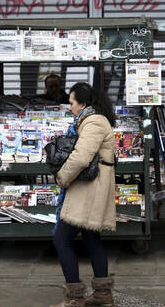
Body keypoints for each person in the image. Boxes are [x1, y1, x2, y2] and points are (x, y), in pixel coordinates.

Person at [51, 82, 117, 307]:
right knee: (91, 238)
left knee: (62, 239)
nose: (70, 107)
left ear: (83, 103)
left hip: (89, 190)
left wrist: (62, 177)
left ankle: (74, 298)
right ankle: (102, 295)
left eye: (71, 103)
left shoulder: (94, 122)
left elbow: (81, 157)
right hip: (92, 188)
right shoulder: (91, 120)